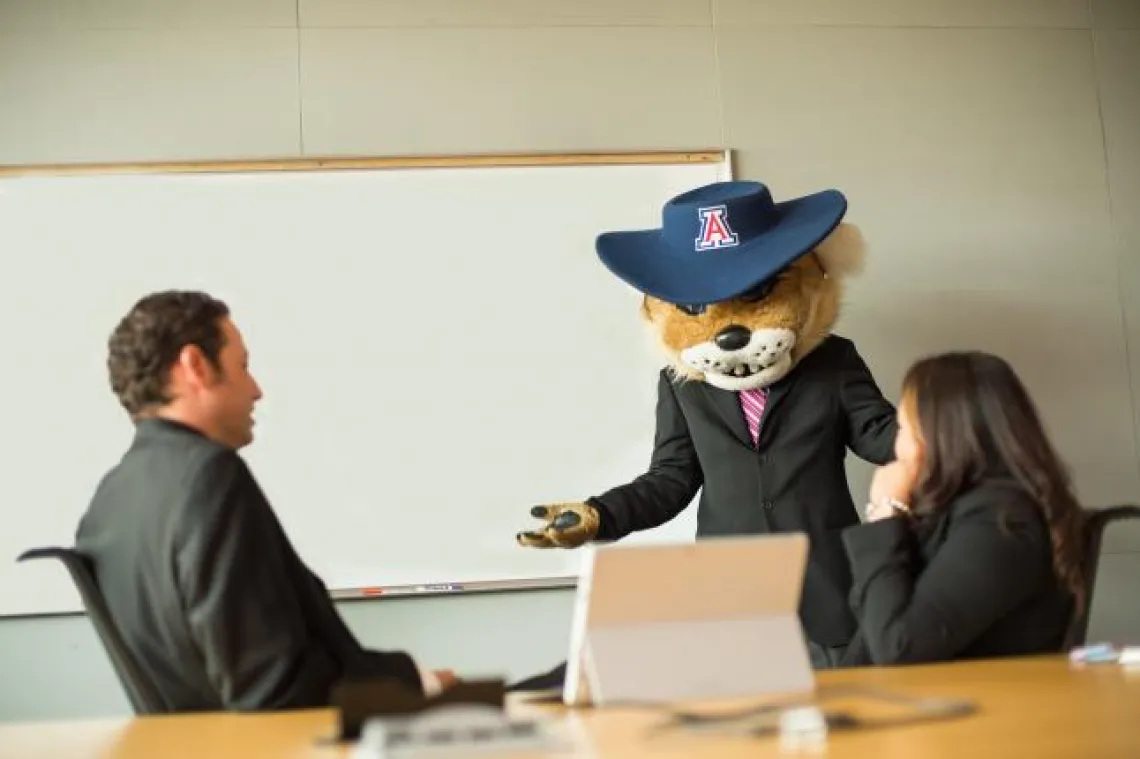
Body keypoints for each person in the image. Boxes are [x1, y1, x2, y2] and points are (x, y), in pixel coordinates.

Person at [75, 290, 456, 711]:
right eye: (243, 366)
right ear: (195, 367)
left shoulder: (107, 502)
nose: (256, 390)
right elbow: (275, 689)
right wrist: (421, 683)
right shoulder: (208, 476)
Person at [838, 350, 1084, 666]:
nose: (896, 448)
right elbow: (872, 614)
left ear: (940, 435)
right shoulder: (956, 511)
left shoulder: (1000, 522)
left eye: (903, 429)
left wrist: (886, 512)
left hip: (976, 707)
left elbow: (898, 648)